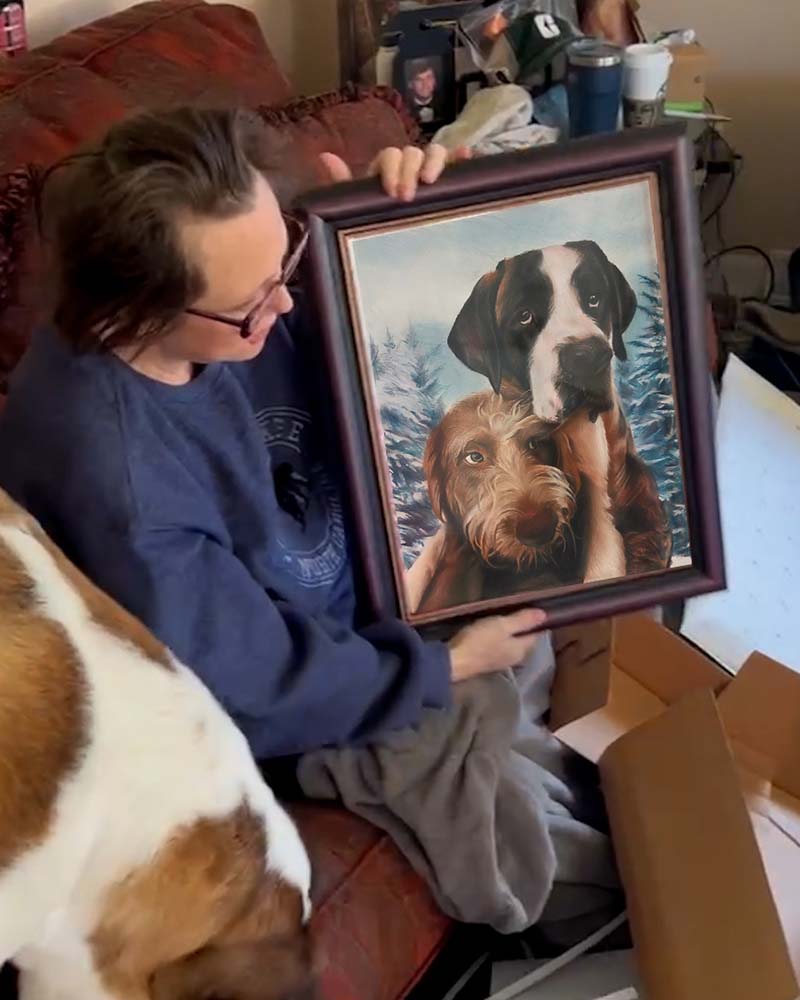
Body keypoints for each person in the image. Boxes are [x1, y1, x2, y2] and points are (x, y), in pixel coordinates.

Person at [0, 107, 545, 761]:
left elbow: (402, 353)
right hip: (314, 677)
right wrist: (441, 669)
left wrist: (389, 228)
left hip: (387, 569)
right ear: (138, 305)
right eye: (250, 304)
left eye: (282, 265)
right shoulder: (119, 478)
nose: (283, 305)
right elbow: (252, 682)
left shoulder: (220, 308)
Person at [405, 58, 442, 124]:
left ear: (435, 81)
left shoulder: (445, 103)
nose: (425, 84)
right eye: (419, 79)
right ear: (410, 84)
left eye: (429, 77)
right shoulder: (403, 109)